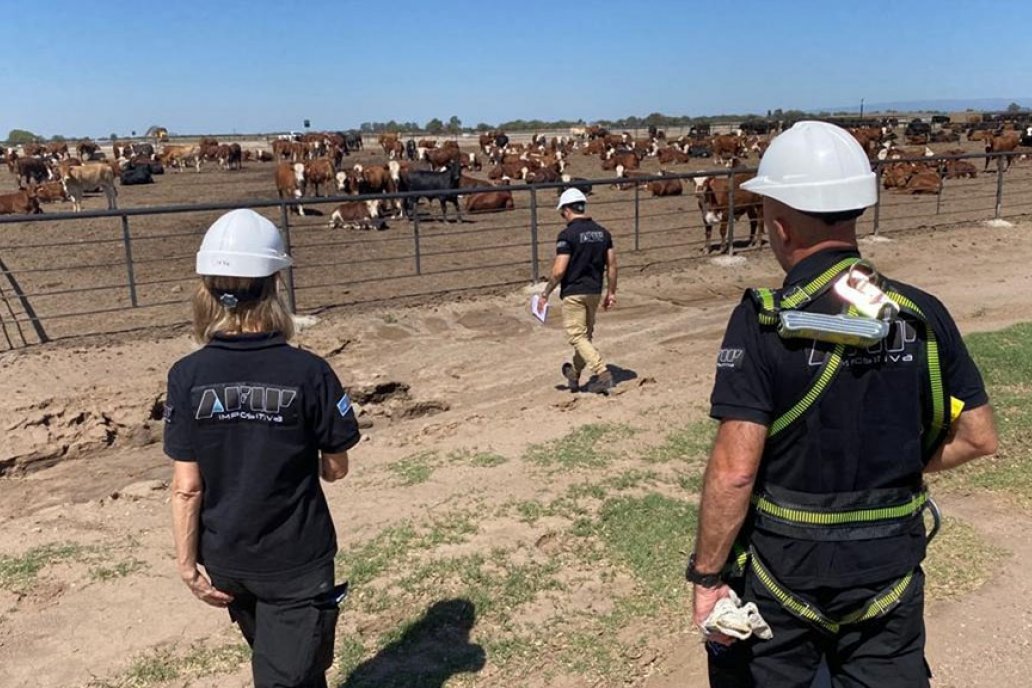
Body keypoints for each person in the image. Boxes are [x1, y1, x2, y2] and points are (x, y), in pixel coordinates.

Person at [686, 121, 999, 687]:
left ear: (779, 225)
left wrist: (707, 577)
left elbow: (735, 472)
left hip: (787, 573)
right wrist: (898, 464)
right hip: (889, 572)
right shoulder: (921, 313)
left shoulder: (763, 321)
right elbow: (979, 437)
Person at [164, 209, 360, 688]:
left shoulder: (186, 377)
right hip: (295, 558)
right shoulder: (309, 372)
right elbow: (336, 467)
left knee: (291, 666)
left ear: (206, 289)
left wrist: (188, 566)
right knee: (285, 674)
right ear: (275, 286)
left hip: (227, 559)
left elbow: (187, 488)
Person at [536, 188, 618, 394]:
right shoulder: (603, 233)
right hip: (595, 290)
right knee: (585, 337)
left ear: (566, 210)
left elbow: (559, 270)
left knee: (576, 336)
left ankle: (602, 373)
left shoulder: (567, 235)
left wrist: (545, 293)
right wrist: (611, 292)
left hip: (574, 292)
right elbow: (613, 265)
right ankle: (573, 372)